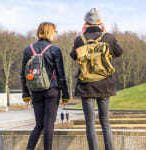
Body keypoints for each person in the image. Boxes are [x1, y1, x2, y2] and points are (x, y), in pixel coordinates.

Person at [70, 8, 123, 150]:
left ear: (86, 22)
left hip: (86, 84)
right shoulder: (108, 37)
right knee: (105, 121)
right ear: (99, 22)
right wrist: (106, 32)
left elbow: (74, 56)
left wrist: (82, 34)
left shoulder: (79, 39)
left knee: (90, 123)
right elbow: (119, 52)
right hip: (105, 83)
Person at [21, 22, 70, 150]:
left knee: (39, 125)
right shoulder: (55, 50)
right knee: (49, 125)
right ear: (51, 32)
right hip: (52, 90)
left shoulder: (28, 49)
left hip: (35, 90)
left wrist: (25, 94)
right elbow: (61, 74)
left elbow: (23, 74)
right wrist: (66, 95)